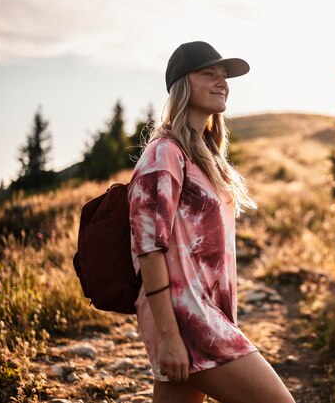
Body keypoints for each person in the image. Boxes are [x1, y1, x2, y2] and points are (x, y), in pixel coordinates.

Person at [127, 41, 296, 403]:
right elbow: (148, 249)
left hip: (208, 313)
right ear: (182, 84)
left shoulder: (204, 159)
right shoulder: (164, 154)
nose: (222, 82)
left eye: (224, 75)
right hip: (189, 321)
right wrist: (170, 338)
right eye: (209, 73)